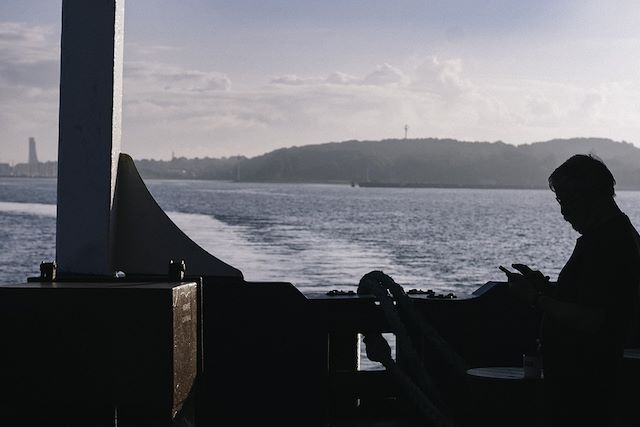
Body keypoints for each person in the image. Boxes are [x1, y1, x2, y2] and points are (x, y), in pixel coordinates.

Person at [504, 154, 640, 426]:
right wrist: (542, 287)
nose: (563, 213)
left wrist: (534, 297)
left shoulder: (609, 245)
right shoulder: (612, 238)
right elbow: (589, 298)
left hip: (585, 383)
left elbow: (591, 318)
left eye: (567, 201)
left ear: (591, 197)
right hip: (583, 379)